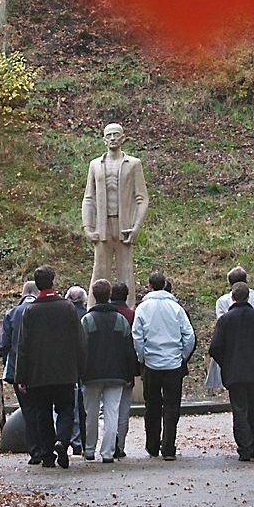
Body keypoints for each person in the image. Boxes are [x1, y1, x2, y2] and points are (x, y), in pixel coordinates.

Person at [16, 266, 86, 469]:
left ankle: (47, 455)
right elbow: (79, 341)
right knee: (65, 409)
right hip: (65, 372)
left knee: (42, 413)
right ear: (53, 282)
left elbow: (23, 346)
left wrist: (22, 376)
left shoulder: (31, 311)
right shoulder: (67, 308)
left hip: (38, 374)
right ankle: (62, 441)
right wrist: (81, 369)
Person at [82, 123, 150, 307]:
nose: (112, 138)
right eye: (109, 135)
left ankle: (128, 310)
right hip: (102, 227)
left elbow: (142, 198)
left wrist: (136, 227)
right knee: (99, 271)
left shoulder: (133, 164)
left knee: (125, 272)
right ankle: (93, 309)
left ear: (123, 138)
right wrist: (88, 228)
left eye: (116, 135)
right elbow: (89, 197)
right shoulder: (95, 165)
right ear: (104, 139)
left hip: (124, 225)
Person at [132, 271, 195, 460]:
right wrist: (182, 356)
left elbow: (137, 336)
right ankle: (168, 446)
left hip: (151, 364)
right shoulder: (176, 308)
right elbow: (189, 336)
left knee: (152, 405)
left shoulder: (143, 308)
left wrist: (142, 358)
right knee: (171, 406)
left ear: (149, 286)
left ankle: (152, 445)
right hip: (173, 364)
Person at [208, 282, 254, 461]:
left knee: (239, 409)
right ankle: (253, 443)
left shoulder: (226, 319)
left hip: (234, 372)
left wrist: (226, 363)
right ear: (248, 297)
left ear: (232, 297)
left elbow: (215, 348)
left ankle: (244, 445)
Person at [80, 280, 137, 463]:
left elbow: (81, 349)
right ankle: (108, 452)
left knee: (91, 413)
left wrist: (80, 372)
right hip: (117, 373)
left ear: (94, 296)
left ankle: (89, 449)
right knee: (112, 413)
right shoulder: (120, 320)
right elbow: (129, 349)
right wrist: (130, 373)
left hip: (91, 374)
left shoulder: (87, 320)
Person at [0, 281, 41, 464]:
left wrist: (8, 359)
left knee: (28, 410)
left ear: (23, 294)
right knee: (43, 408)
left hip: (17, 370)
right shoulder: (42, 311)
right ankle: (46, 446)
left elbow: (3, 345)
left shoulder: (12, 313)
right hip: (41, 370)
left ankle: (34, 451)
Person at [207, 267, 254, 391]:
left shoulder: (222, 303)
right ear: (246, 280)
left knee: (239, 405)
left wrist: (225, 363)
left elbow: (217, 344)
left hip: (234, 362)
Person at [110, 281, 135, 459]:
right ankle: (120, 445)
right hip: (125, 369)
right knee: (123, 411)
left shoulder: (98, 314)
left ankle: (107, 443)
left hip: (102, 369)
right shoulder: (131, 315)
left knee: (108, 409)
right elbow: (133, 345)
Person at [65, 285, 89, 454]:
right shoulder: (87, 317)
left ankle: (74, 440)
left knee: (70, 405)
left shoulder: (64, 317)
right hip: (85, 367)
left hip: (68, 367)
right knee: (84, 406)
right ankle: (82, 440)